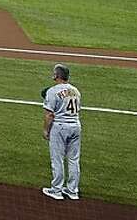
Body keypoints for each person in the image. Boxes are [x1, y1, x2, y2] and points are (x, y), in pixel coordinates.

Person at [42, 63, 82, 201]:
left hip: (60, 127)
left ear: (56, 75)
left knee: (57, 159)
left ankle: (56, 190)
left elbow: (49, 115)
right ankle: (72, 190)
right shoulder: (76, 91)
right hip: (76, 126)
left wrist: (46, 130)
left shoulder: (53, 91)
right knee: (73, 159)